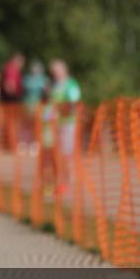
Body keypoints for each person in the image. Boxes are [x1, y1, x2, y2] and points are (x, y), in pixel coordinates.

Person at [49, 59, 81, 196]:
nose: (55, 74)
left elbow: (74, 103)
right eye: (53, 72)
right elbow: (52, 104)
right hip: (57, 124)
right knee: (59, 152)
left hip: (69, 122)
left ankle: (71, 178)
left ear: (64, 70)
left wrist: (61, 110)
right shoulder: (55, 86)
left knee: (67, 151)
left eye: (57, 71)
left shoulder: (71, 84)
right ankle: (63, 177)